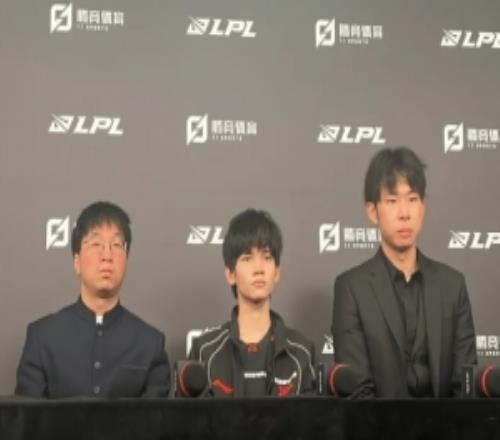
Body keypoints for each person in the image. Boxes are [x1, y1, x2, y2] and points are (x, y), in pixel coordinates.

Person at [332, 147, 476, 398]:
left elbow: (465, 385)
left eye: (412, 199)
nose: (404, 213)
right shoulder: (351, 288)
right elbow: (357, 393)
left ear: (423, 207)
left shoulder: (452, 285)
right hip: (377, 422)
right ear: (372, 211)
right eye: (392, 201)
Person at [15, 201, 170, 398]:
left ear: (126, 260)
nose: (107, 255)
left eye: (116, 245)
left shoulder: (150, 344)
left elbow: (155, 417)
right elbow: (29, 415)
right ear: (77, 261)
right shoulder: (42, 339)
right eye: (96, 244)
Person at [189, 209, 315, 397]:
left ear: (277, 272)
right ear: (230, 274)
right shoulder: (205, 351)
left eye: (267, 257)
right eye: (247, 258)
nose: (259, 269)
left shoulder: (301, 351)